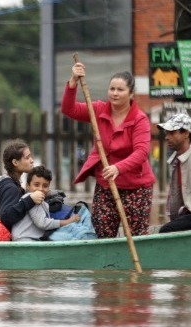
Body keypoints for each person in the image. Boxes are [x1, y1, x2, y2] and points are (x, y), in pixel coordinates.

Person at [62, 65, 156, 238]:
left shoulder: (139, 119)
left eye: (120, 90)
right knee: (102, 232)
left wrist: (118, 168)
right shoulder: (98, 109)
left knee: (137, 237)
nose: (115, 93)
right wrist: (73, 81)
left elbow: (142, 152)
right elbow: (69, 109)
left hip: (136, 187)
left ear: (131, 93)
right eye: (112, 89)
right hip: (106, 184)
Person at [12, 166, 80, 241]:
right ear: (28, 186)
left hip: (28, 239)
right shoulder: (32, 198)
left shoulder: (41, 201)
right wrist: (68, 221)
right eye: (36, 185)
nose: (40, 189)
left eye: (45, 186)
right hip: (24, 240)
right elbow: (42, 223)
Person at [0, 141, 44, 231]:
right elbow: (6, 217)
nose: (32, 160)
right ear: (15, 162)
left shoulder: (7, 183)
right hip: (5, 239)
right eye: (27, 157)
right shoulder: (10, 188)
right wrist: (30, 200)